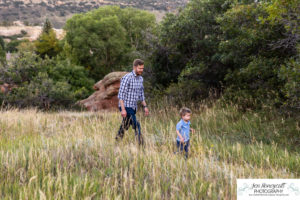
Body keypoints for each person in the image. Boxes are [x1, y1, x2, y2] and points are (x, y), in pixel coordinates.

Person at [115, 59, 149, 145]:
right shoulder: (127, 78)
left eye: (142, 68)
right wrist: (123, 109)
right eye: (139, 68)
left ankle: (117, 141)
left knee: (125, 125)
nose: (141, 70)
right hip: (126, 106)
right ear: (134, 67)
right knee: (136, 124)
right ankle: (141, 144)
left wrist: (145, 107)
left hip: (133, 107)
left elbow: (141, 94)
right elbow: (121, 95)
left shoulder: (140, 79)